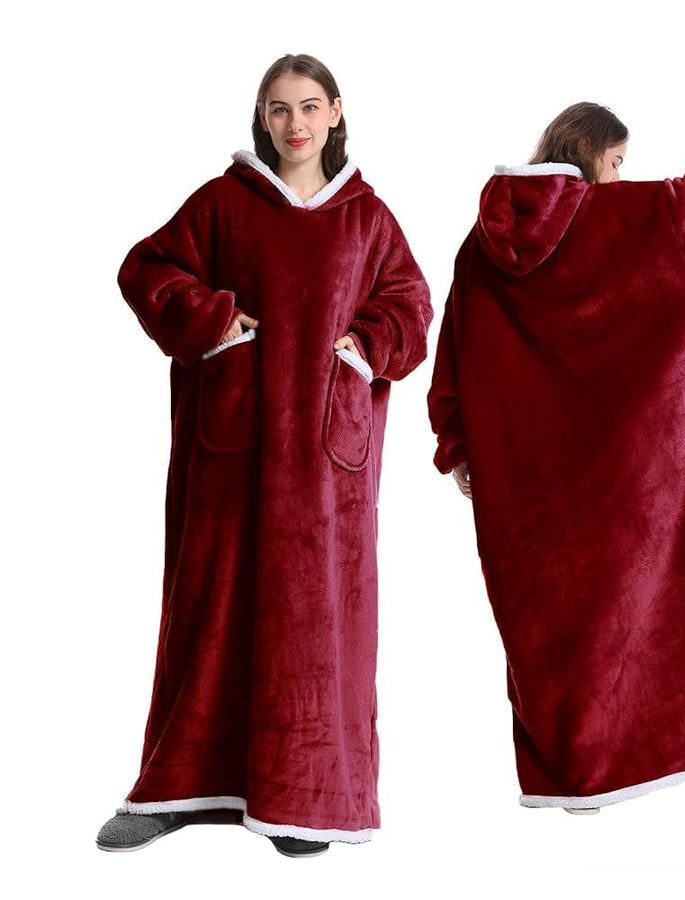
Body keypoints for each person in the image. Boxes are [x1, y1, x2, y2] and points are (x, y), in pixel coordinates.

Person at [426, 53, 685, 815]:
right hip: (646, 476)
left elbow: (452, 351)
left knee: (561, 628)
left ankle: (580, 783)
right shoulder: (635, 218)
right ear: (591, 152)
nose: (621, 176)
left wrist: (457, 447)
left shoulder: (479, 246)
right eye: (617, 161)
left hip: (530, 491)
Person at [97, 53, 433, 856]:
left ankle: (302, 800)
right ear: (263, 117)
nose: (295, 124)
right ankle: (175, 789)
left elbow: (413, 308)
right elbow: (145, 268)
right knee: (210, 610)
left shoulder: (367, 218)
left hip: (326, 466)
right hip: (231, 454)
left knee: (316, 621)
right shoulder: (224, 203)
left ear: (336, 112)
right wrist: (213, 319)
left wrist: (365, 347)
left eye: (309, 106)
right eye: (279, 109)